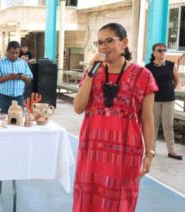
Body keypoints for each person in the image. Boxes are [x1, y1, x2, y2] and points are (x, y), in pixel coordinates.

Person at [73, 23, 158, 212]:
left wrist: (149, 153)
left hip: (125, 154)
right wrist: (90, 71)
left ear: (125, 43)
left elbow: (147, 119)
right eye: (100, 42)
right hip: (92, 150)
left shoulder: (144, 76)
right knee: (89, 199)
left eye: (109, 41)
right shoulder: (92, 73)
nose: (103, 46)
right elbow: (78, 107)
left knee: (120, 202)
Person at [145, 43, 182, 160]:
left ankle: (171, 151)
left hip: (169, 100)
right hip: (154, 100)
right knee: (153, 126)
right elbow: (146, 84)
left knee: (168, 126)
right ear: (154, 53)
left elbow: (176, 81)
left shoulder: (171, 65)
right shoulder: (148, 67)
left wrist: (169, 90)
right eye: (159, 50)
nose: (162, 53)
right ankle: (151, 150)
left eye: (164, 50)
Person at [0, 41, 33, 114]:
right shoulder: (0, 63)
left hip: (19, 98)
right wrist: (8, 77)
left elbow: (29, 79)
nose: (14, 55)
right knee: (1, 120)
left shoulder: (23, 63)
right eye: (12, 52)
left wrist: (21, 76)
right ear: (7, 51)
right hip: (3, 98)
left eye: (17, 53)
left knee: (19, 121)